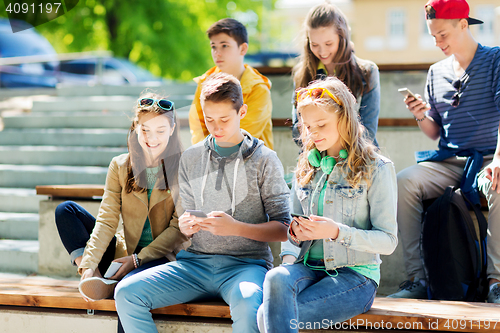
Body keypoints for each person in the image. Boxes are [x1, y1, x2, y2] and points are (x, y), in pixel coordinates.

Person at [115, 73, 291, 333]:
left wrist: (235, 228)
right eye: (209, 120)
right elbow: (184, 223)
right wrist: (187, 226)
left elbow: (284, 228)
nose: (216, 127)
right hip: (194, 264)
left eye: (224, 120)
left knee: (247, 303)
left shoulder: (265, 160)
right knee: (126, 293)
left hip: (246, 267)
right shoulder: (190, 158)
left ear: (242, 111)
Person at [258, 77, 398, 332]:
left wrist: (335, 232)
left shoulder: (377, 168)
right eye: (308, 126)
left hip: (355, 277)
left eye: (321, 124)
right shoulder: (306, 165)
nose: (313, 133)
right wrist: (294, 237)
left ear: (344, 119)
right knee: (276, 277)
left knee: (266, 317)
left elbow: (388, 240)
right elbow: (292, 227)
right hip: (307, 269)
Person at [388, 0, 500, 304]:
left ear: (464, 24)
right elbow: (435, 131)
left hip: (490, 156)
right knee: (403, 182)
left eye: (443, 35)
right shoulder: (436, 72)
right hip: (449, 160)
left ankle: (495, 281)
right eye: (433, 36)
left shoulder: (495, 60)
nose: (437, 43)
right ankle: (418, 279)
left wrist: (499, 159)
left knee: (499, 185)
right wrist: (421, 114)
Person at [55, 92, 189, 330]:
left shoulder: (183, 166)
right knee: (65, 210)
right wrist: (88, 265)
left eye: (160, 130)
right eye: (145, 129)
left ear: (172, 129)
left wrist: (137, 260)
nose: (152, 138)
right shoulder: (120, 165)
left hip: (159, 257)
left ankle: (111, 285)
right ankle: (96, 277)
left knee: (127, 289)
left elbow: (178, 229)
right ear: (135, 128)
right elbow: (107, 220)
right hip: (122, 252)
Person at [291, 1, 380, 148]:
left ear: (342, 37)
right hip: (315, 157)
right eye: (315, 45)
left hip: (358, 155)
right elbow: (297, 131)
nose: (322, 52)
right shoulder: (302, 74)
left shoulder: (367, 72)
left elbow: (368, 132)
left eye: (328, 44)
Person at [188, 18, 274, 149]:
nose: (217, 52)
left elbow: (244, 135)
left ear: (243, 49)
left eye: (224, 45)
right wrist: (204, 157)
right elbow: (197, 125)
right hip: (211, 159)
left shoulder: (258, 88)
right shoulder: (204, 83)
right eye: (213, 46)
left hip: (252, 163)